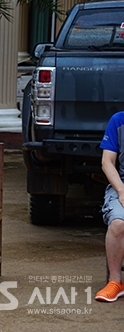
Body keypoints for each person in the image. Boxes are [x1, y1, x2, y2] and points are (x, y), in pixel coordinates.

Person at [95, 111, 124, 302]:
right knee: (118, 223)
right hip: (121, 185)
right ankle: (115, 282)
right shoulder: (118, 120)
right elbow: (107, 162)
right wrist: (121, 190)